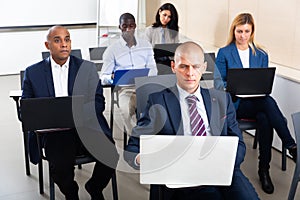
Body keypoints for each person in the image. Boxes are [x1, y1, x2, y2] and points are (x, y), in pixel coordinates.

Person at [124, 41, 259, 200]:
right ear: (173, 66)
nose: (190, 73)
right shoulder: (158, 101)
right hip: (180, 175)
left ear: (204, 67)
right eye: (184, 67)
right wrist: (143, 159)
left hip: (221, 170)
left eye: (195, 66)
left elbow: (239, 143)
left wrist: (225, 163)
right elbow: (132, 148)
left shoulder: (222, 99)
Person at [22, 25, 118, 200]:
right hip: (55, 131)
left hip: (86, 125)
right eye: (57, 40)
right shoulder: (33, 73)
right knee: (59, 167)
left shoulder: (86, 68)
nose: (64, 44)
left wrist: (80, 114)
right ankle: (71, 192)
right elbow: (26, 111)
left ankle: (94, 187)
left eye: (67, 39)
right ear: (47, 45)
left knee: (110, 154)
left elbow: (98, 101)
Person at [213, 13, 297, 194]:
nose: (242, 36)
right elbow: (218, 83)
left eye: (246, 31)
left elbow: (264, 84)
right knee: (267, 104)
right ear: (233, 31)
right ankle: (292, 146)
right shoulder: (225, 52)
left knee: (265, 117)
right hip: (236, 103)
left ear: (252, 32)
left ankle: (264, 170)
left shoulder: (261, 54)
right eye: (239, 31)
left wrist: (256, 88)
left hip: (257, 102)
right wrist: (233, 86)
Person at [100, 13, 157, 135]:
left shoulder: (145, 46)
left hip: (146, 87)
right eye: (124, 26)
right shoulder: (112, 50)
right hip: (125, 90)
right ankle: (136, 137)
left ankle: (152, 136)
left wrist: (147, 80)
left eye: (131, 26)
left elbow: (153, 69)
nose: (128, 29)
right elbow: (103, 78)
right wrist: (112, 78)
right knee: (125, 110)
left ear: (135, 26)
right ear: (120, 27)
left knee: (160, 106)